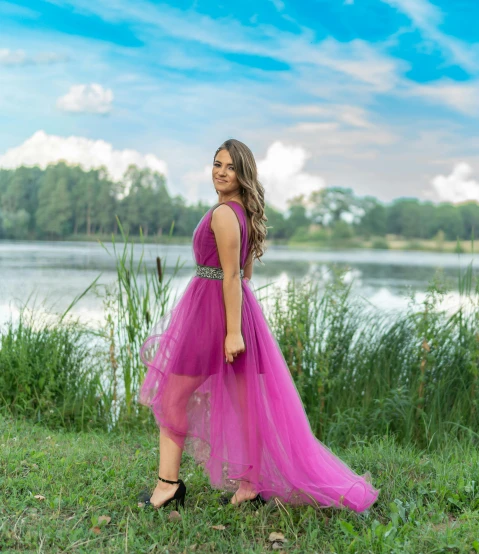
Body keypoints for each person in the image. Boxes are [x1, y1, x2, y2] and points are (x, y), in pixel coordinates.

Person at [138, 139, 379, 512]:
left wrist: (232, 332)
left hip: (214, 313)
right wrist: (237, 324)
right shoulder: (243, 215)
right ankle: (249, 486)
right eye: (217, 164)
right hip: (235, 312)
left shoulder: (223, 215)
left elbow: (233, 276)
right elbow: (245, 276)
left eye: (230, 167)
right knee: (246, 404)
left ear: (243, 174)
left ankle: (168, 485)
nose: (220, 172)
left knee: (171, 396)